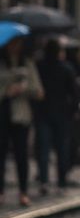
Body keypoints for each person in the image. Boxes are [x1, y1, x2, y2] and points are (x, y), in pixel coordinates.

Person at [0, 34, 44, 206]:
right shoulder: (2, 63)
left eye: (17, 43)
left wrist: (23, 89)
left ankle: (23, 191)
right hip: (2, 113)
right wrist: (6, 92)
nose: (14, 46)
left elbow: (39, 91)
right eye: (11, 43)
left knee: (21, 154)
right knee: (1, 154)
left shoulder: (27, 63)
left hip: (21, 114)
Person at [34, 38, 80, 193]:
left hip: (44, 113)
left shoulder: (39, 67)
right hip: (61, 114)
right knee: (61, 148)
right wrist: (73, 111)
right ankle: (61, 179)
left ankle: (44, 180)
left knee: (44, 149)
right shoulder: (66, 68)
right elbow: (74, 93)